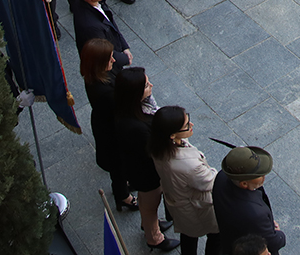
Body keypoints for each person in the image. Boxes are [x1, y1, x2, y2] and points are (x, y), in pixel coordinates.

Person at [114, 67, 178, 251]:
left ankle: (150, 224)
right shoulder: (135, 127)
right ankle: (154, 237)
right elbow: (152, 150)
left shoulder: (129, 110)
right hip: (145, 173)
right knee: (150, 204)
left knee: (147, 202)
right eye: (146, 85)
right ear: (135, 94)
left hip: (139, 170)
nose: (151, 85)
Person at [150, 107, 219, 255]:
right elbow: (210, 181)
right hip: (195, 206)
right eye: (186, 125)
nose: (192, 125)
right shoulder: (189, 166)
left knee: (188, 235)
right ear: (172, 135)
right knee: (215, 235)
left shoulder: (158, 145)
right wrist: (215, 171)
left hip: (178, 201)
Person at [80, 38, 137, 214]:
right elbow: (122, 108)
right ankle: (123, 197)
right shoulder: (103, 91)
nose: (114, 60)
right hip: (111, 132)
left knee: (119, 165)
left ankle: (124, 185)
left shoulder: (97, 74)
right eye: (110, 58)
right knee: (117, 165)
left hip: (107, 124)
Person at [208, 145, 285, 255]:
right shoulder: (255, 214)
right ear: (244, 183)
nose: (264, 175)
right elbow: (274, 242)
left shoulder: (221, 177)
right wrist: (279, 233)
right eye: (258, 174)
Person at [72, 0, 132, 69]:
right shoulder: (91, 27)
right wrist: (125, 59)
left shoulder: (90, 1)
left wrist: (124, 46)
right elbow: (105, 53)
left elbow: (110, 22)